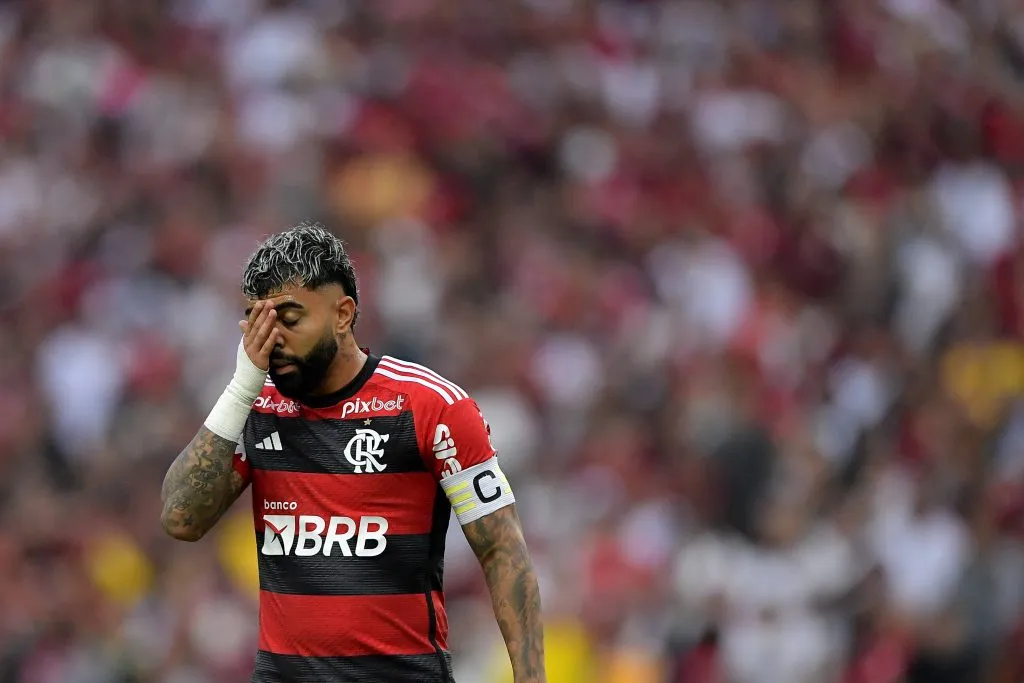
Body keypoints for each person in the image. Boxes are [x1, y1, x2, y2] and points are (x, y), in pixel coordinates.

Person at [159, 222, 547, 683]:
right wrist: (242, 386)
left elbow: (502, 549)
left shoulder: (430, 407)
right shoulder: (254, 408)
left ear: (343, 314)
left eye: (289, 317)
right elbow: (180, 518)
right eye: (256, 320)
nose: (271, 338)